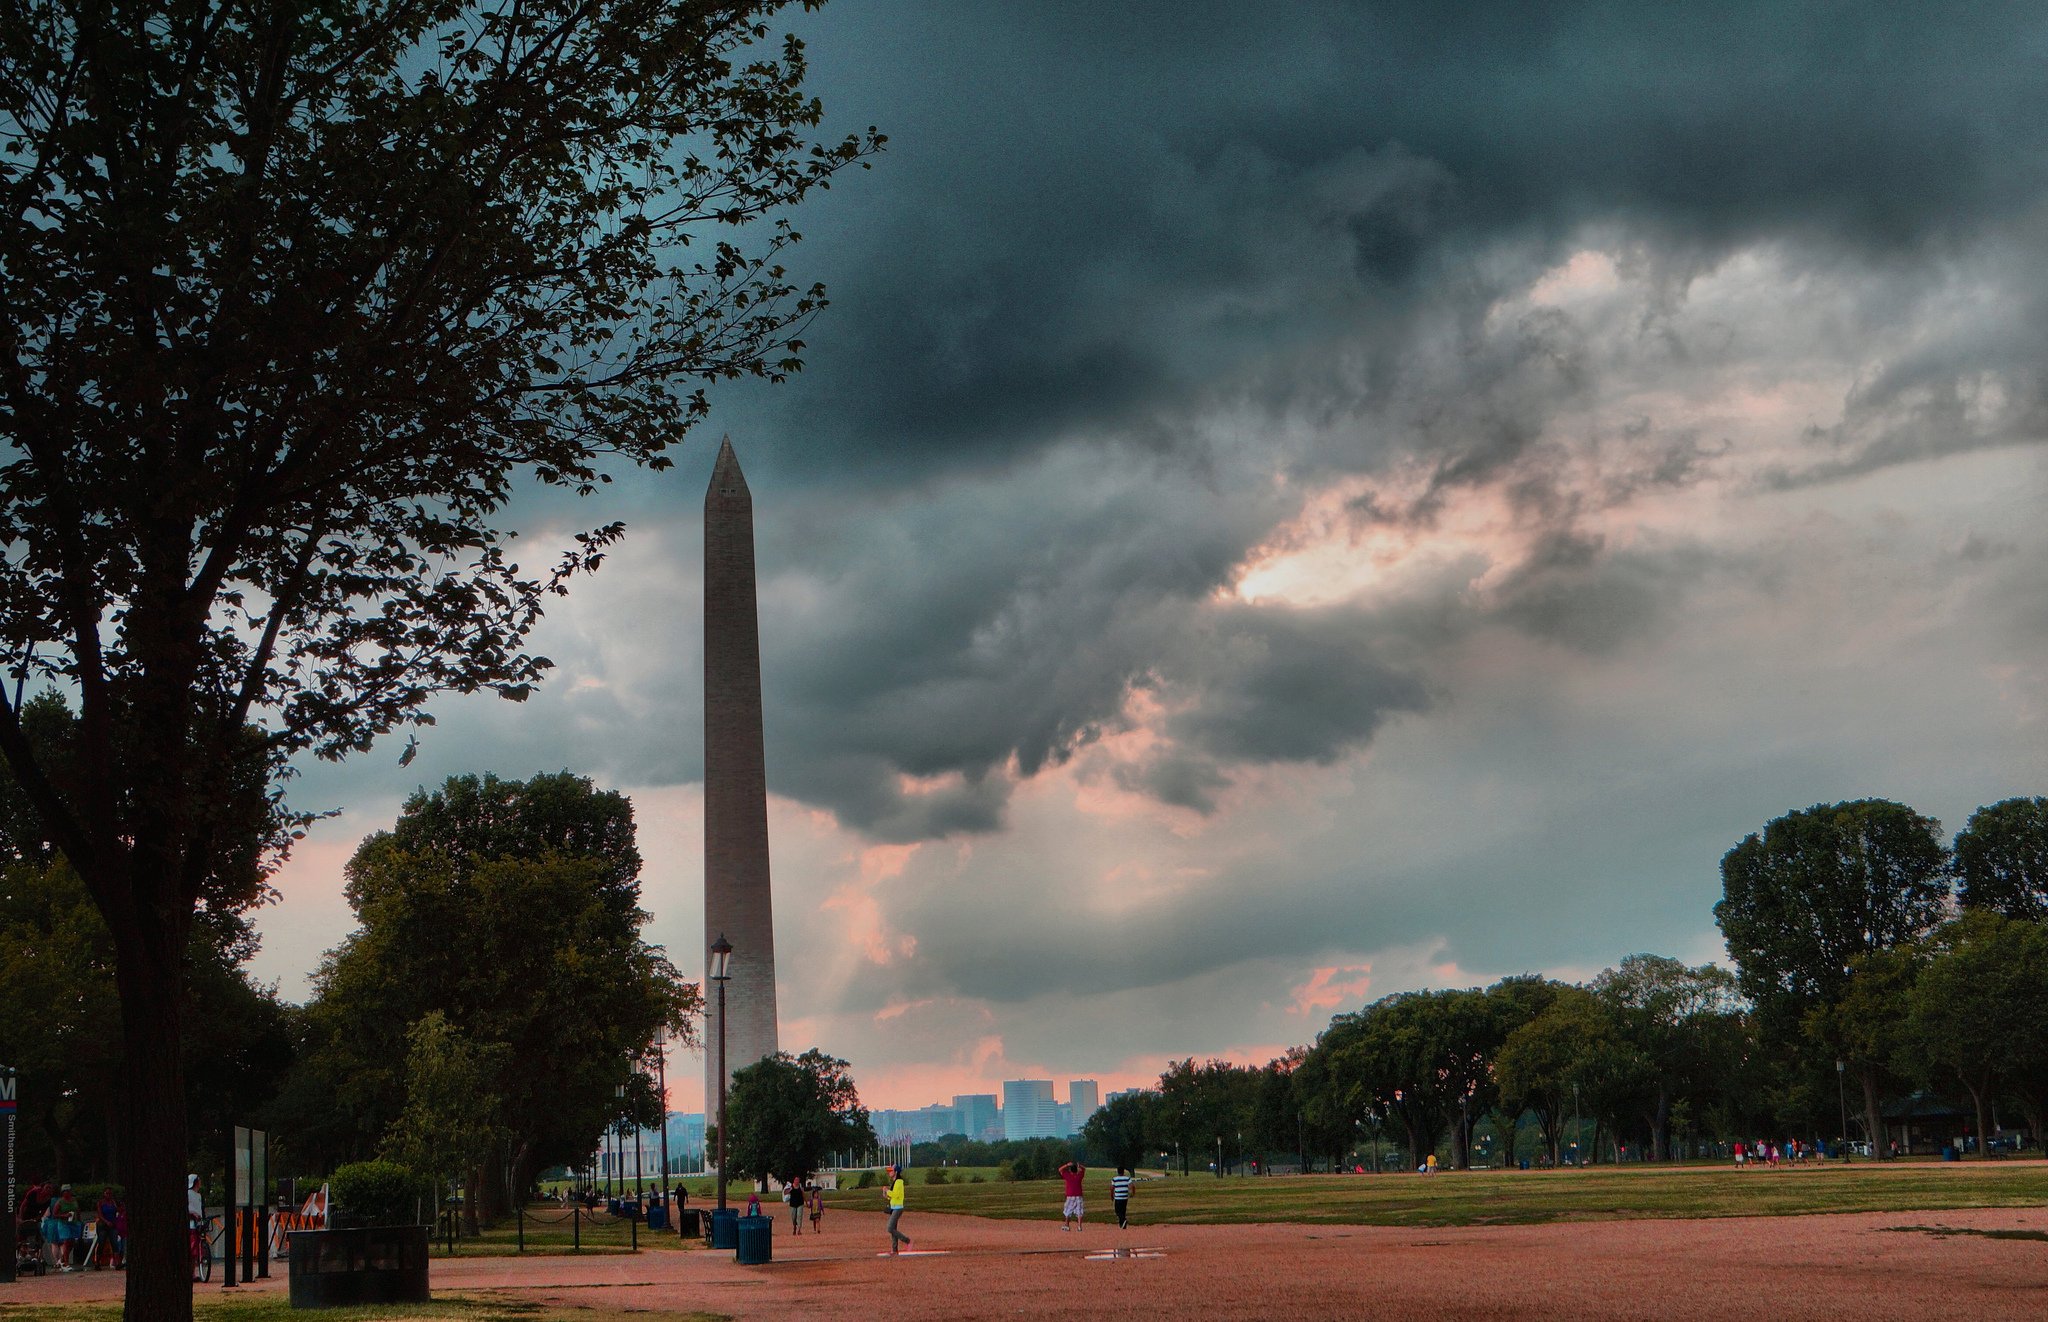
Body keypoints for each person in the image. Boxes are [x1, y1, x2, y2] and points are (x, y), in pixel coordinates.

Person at [883, 1165, 909, 1255]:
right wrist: (886, 1194)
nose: (889, 1172)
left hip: (898, 1208)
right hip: (894, 1208)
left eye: (891, 1171)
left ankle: (906, 1240)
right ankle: (894, 1250)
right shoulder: (895, 1182)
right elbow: (892, 1197)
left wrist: (887, 1191)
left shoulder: (899, 1182)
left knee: (890, 1228)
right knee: (893, 1229)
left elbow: (896, 1195)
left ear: (896, 1172)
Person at [1057, 1160, 1086, 1231]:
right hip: (1079, 1195)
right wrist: (1080, 1166)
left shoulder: (1068, 1175)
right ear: (1076, 1170)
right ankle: (1079, 1226)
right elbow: (1084, 1169)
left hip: (1070, 1195)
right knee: (1079, 1211)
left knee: (1068, 1210)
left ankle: (1067, 1225)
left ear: (1070, 1170)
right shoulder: (1079, 1176)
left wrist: (1067, 1165)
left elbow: (1060, 1169)